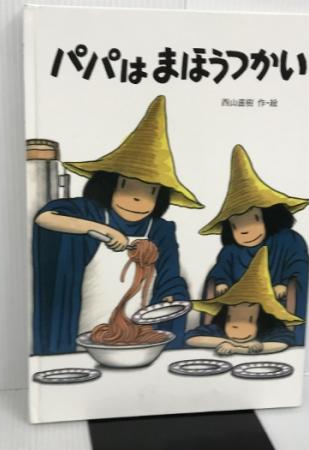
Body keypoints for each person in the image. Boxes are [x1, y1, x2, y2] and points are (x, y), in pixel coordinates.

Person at [32, 95, 203, 354]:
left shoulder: (160, 230)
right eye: (127, 186)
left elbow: (170, 276)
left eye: (151, 191)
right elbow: (45, 218)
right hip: (80, 336)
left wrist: (171, 296)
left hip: (139, 337)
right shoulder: (90, 212)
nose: (138, 198)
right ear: (110, 184)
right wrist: (101, 229)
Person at [199, 145, 309, 345]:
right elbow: (221, 268)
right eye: (236, 225)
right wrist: (222, 281)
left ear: (268, 217)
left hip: (273, 303)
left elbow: (298, 263)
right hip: (239, 305)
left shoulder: (288, 240)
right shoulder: (231, 251)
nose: (244, 231)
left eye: (253, 220)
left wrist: (284, 282)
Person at [186, 247, 303, 355]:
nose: (237, 326)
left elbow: (283, 342)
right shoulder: (218, 329)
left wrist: (253, 347)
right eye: (230, 318)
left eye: (249, 319)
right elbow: (190, 338)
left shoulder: (270, 330)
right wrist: (225, 342)